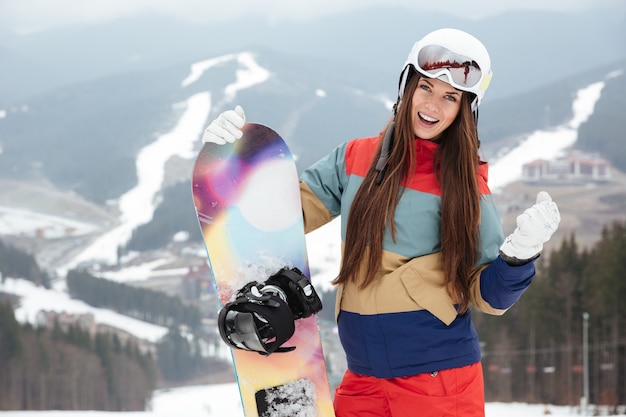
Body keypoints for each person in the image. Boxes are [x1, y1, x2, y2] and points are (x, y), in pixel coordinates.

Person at [202, 28, 561, 417]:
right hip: (363, 379)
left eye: (450, 97)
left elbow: (487, 296)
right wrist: (231, 160)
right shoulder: (356, 158)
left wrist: (519, 256)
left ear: (465, 109)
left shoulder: (465, 184)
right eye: (426, 87)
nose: (433, 105)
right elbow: (282, 218)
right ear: (407, 86)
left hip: (438, 384)